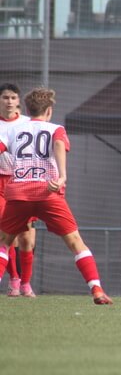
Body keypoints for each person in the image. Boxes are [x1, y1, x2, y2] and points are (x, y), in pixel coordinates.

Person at [0, 87, 112, 305]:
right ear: (49, 110)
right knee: (75, 242)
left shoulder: (12, 131)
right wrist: (62, 176)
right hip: (47, 192)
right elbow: (59, 144)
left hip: (18, 193)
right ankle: (97, 290)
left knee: (4, 243)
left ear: (27, 108)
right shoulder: (56, 129)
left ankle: (19, 283)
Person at [0, 83, 37, 297]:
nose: (10, 101)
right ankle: (14, 280)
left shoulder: (27, 123)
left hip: (24, 182)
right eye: (5, 97)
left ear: (19, 101)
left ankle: (26, 282)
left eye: (13, 97)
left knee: (27, 237)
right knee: (7, 234)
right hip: (2, 182)